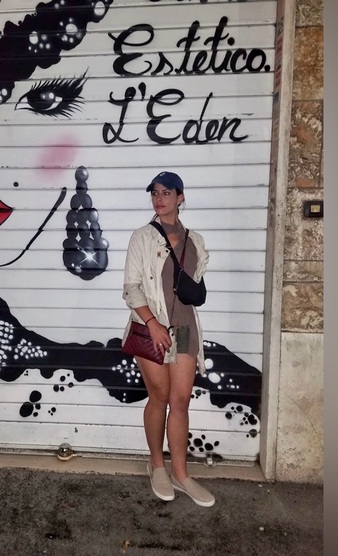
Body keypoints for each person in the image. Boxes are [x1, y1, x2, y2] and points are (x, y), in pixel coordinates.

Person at [122, 171, 215, 507]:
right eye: (155, 193)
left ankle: (181, 473)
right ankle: (157, 465)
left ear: (180, 198)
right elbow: (131, 288)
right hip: (151, 328)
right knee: (159, 397)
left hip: (185, 329)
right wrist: (153, 323)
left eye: (166, 192)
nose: (159, 198)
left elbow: (193, 288)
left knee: (181, 401)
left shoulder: (195, 241)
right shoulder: (142, 237)